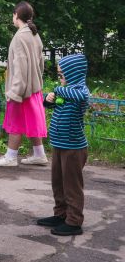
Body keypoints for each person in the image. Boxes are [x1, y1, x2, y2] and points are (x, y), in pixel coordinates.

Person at [37, 54, 90, 236]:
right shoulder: (65, 90)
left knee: (71, 185)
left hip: (74, 148)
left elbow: (78, 96)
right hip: (59, 145)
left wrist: (58, 91)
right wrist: (48, 100)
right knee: (58, 182)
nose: (60, 79)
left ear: (73, 73)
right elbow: (51, 104)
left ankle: (74, 221)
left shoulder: (80, 91)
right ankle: (61, 214)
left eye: (62, 74)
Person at [0, 2, 48, 167]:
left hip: (21, 89)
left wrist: (14, 92)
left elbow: (20, 67)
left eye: (13, 14)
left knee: (15, 121)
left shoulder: (19, 37)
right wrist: (35, 80)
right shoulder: (34, 34)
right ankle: (39, 154)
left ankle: (10, 157)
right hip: (33, 87)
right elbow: (41, 64)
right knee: (31, 121)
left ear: (16, 15)